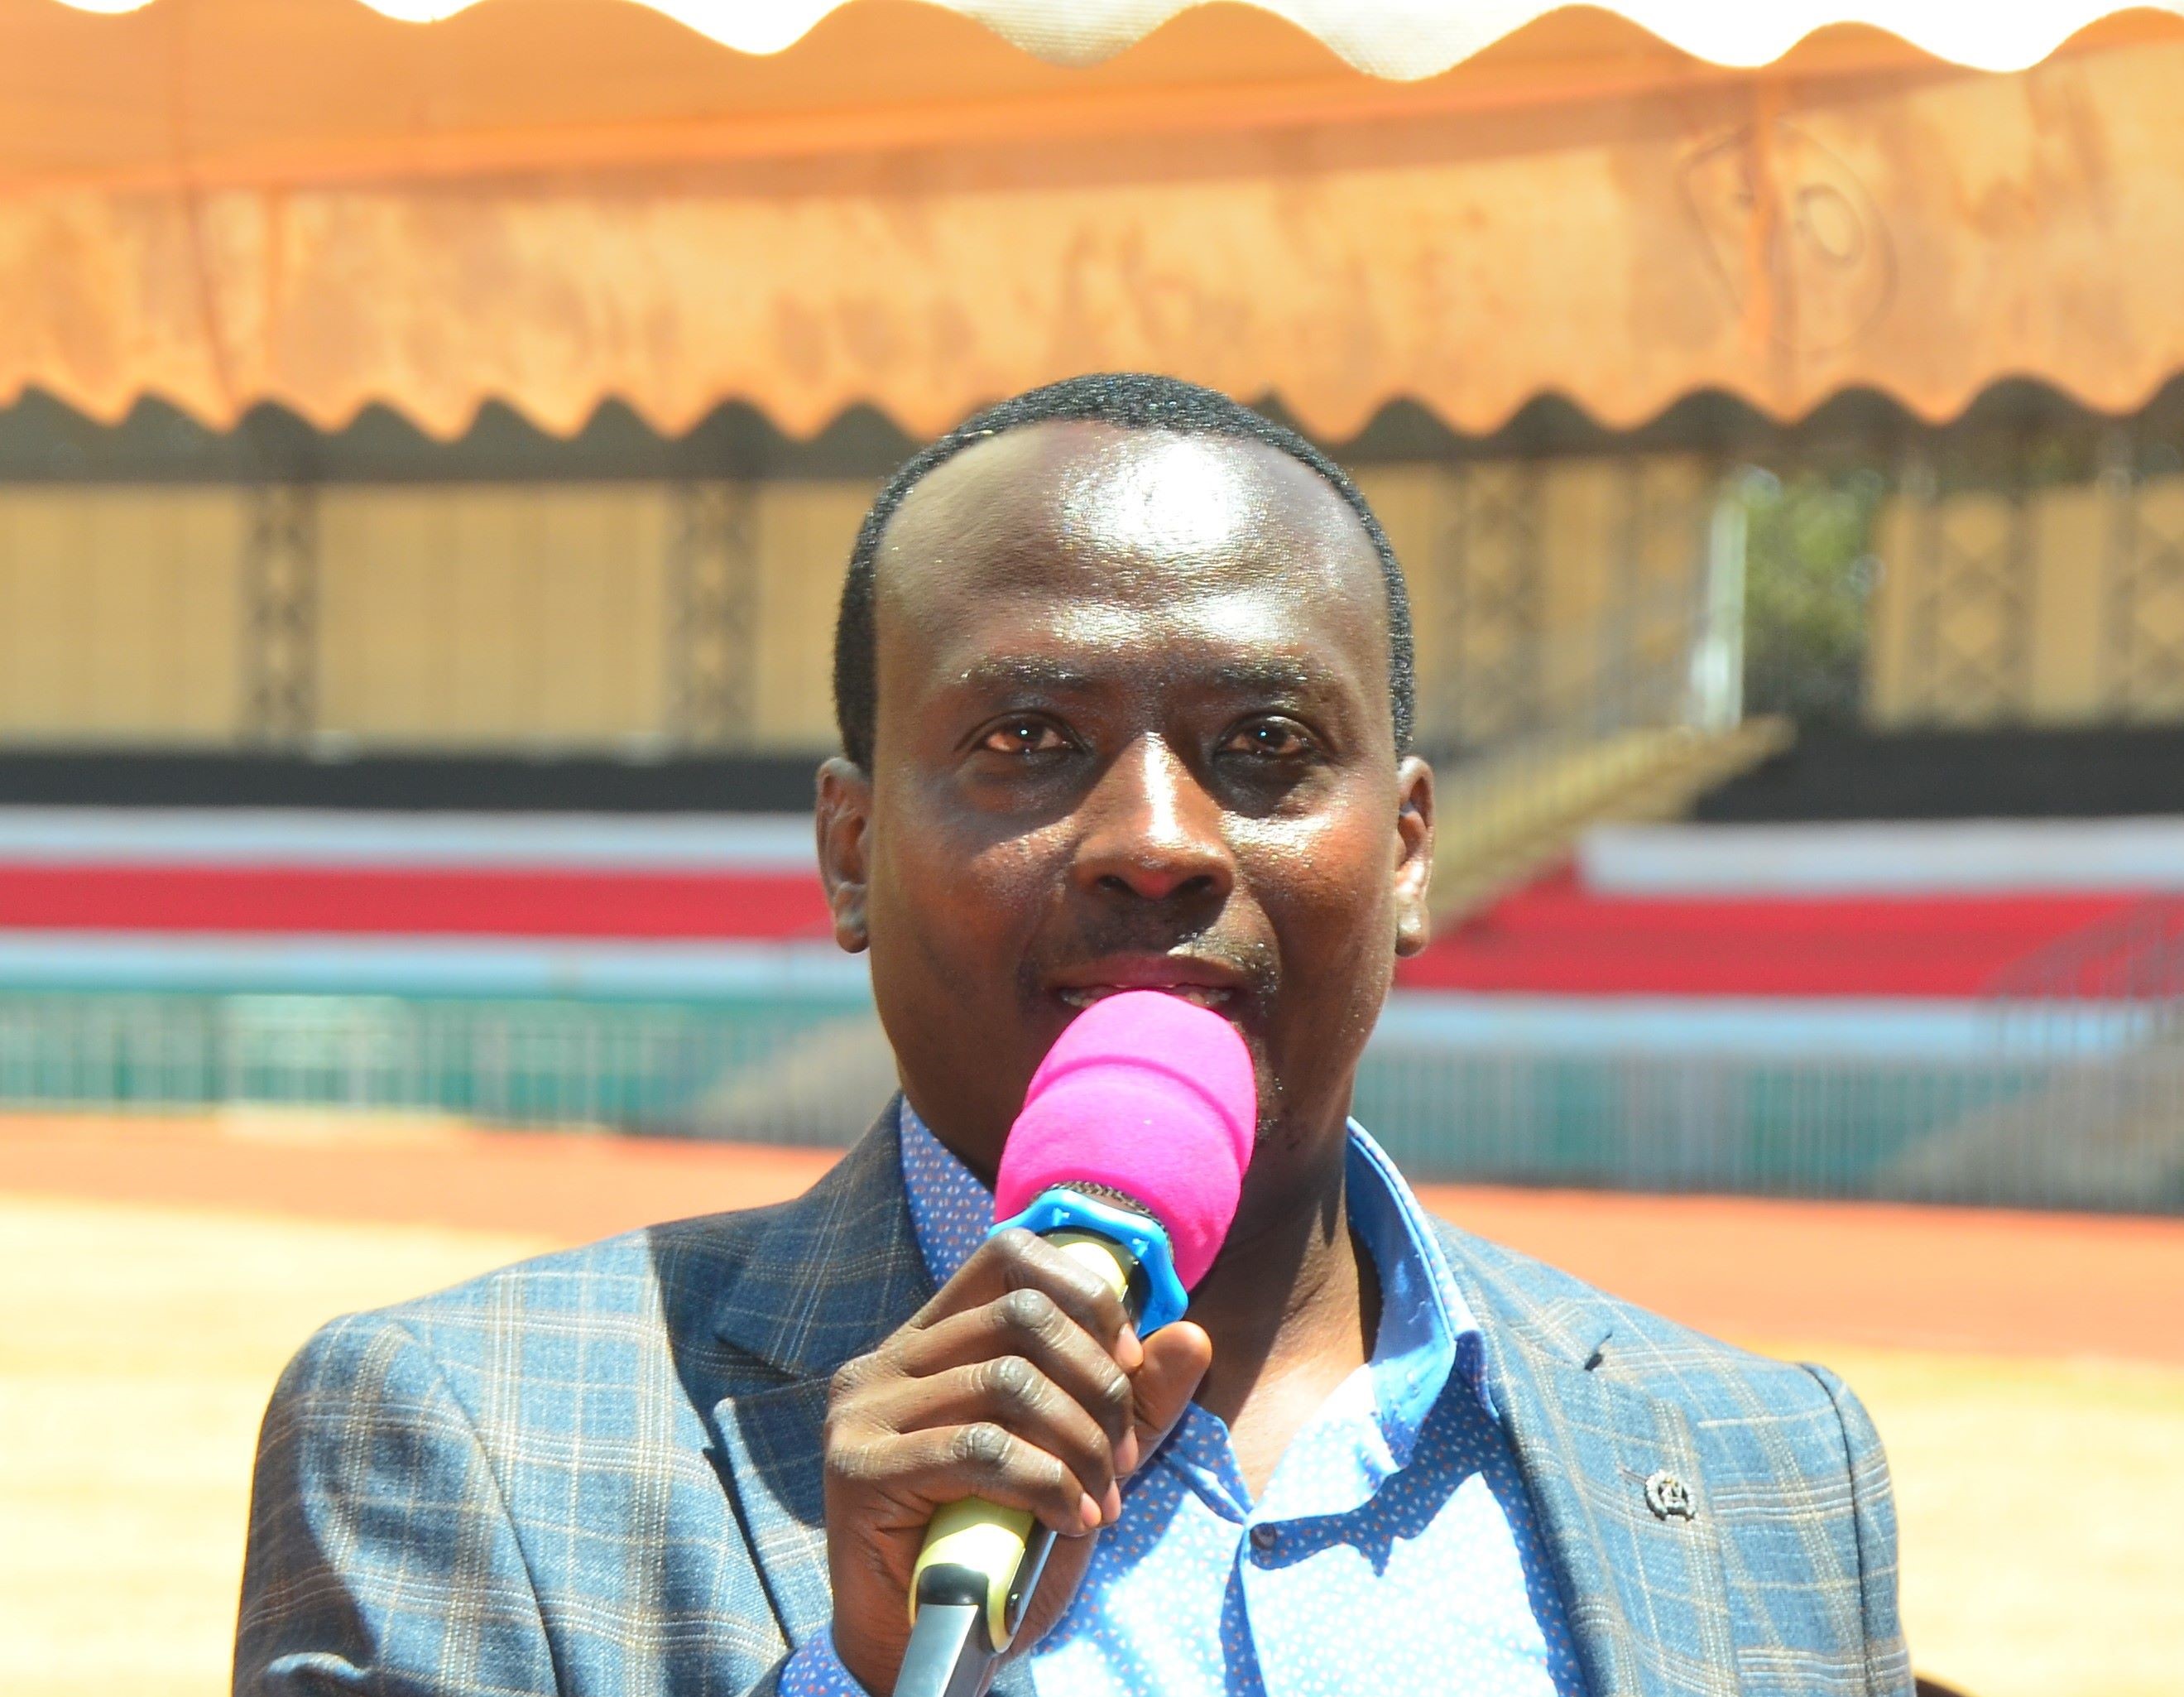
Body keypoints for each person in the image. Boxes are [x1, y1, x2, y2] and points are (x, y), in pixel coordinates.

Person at [234, 374, 1910, 1697]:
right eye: (1028, 738)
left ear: (1407, 853)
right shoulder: (466, 1438)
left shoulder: (1765, 1469)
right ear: (850, 852)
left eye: (1267, 741)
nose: (1156, 840)